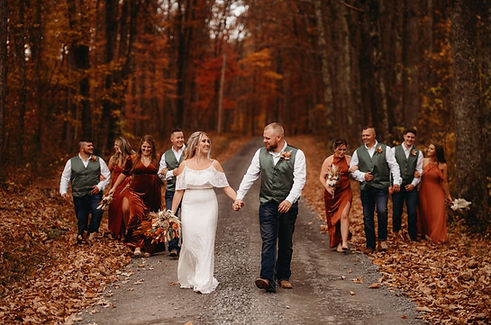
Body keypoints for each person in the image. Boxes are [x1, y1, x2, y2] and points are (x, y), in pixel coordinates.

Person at [234, 122, 306, 293]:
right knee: (268, 241)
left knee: (286, 242)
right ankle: (267, 278)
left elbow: (300, 180)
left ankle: (283, 276)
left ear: (278, 138)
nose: (264, 140)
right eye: (264, 137)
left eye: (267, 138)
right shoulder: (260, 153)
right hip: (267, 204)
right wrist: (239, 196)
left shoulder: (297, 154)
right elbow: (250, 175)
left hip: (288, 205)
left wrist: (289, 200)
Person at [171, 131, 237, 294]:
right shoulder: (184, 165)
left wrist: (237, 198)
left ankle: (203, 281)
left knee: (206, 242)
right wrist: (171, 214)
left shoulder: (214, 164)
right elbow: (178, 191)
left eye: (208, 141)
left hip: (208, 205)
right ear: (195, 145)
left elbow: (225, 186)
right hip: (189, 205)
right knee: (190, 242)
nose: (207, 144)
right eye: (203, 141)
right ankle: (190, 276)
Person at [108, 135, 163, 257]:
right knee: (136, 217)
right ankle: (137, 245)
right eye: (144, 147)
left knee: (150, 218)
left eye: (149, 147)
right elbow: (124, 173)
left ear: (152, 148)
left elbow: (163, 172)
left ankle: (149, 246)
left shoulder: (157, 158)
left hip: (153, 193)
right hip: (135, 192)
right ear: (140, 147)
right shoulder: (133, 158)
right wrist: (114, 187)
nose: (146, 149)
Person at [349, 127, 401, 254]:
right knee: (367, 216)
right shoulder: (358, 152)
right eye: (363, 135)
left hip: (381, 186)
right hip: (366, 188)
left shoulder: (385, 149)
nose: (364, 138)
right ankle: (370, 244)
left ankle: (382, 240)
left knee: (382, 211)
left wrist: (396, 182)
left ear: (374, 135)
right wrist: (362, 176)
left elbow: (394, 166)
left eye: (367, 135)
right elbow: (352, 169)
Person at [60, 140, 111, 243]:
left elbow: (107, 175)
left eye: (92, 145)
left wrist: (99, 186)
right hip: (79, 193)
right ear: (82, 148)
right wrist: (63, 191)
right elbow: (65, 177)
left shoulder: (98, 160)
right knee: (81, 215)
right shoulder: (71, 162)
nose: (92, 147)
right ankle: (81, 233)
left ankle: (93, 231)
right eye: (89, 146)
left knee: (98, 211)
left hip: (95, 193)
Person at [319, 139, 353, 253]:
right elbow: (321, 177)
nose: (342, 152)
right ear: (335, 149)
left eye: (344, 149)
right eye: (340, 149)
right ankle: (338, 242)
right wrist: (328, 188)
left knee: (344, 215)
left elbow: (355, 171)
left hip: (345, 191)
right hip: (332, 194)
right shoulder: (329, 160)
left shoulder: (349, 159)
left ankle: (344, 242)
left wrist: (355, 170)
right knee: (334, 220)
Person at [391, 129, 423, 241]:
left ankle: (412, 236)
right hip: (397, 185)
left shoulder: (418, 153)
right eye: (408, 136)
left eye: (412, 137)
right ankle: (396, 232)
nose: (410, 139)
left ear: (415, 139)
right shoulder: (394, 150)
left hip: (411, 186)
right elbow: (390, 168)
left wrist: (413, 184)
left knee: (412, 211)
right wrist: (394, 183)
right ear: (404, 137)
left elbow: (419, 171)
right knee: (397, 210)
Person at [158, 128, 185, 257]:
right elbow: (160, 173)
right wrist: (171, 172)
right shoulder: (166, 155)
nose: (180, 140)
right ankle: (173, 247)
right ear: (172, 139)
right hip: (171, 191)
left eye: (182, 137)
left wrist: (167, 171)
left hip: (187, 191)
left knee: (186, 219)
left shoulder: (190, 152)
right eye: (178, 138)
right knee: (171, 217)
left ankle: (185, 246)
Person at [418, 143, 452, 244]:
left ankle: (437, 237)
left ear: (436, 152)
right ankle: (425, 234)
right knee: (425, 213)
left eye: (431, 149)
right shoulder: (423, 161)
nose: (428, 150)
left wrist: (448, 195)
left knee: (438, 214)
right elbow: (417, 174)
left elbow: (444, 181)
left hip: (437, 192)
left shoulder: (443, 165)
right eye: (429, 148)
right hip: (424, 191)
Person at [107, 136, 134, 239]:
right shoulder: (113, 158)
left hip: (127, 185)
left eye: (117, 145)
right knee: (114, 208)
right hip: (116, 185)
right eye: (114, 145)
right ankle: (116, 232)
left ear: (123, 146)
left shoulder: (131, 157)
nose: (115, 147)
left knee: (125, 208)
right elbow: (107, 172)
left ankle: (125, 232)